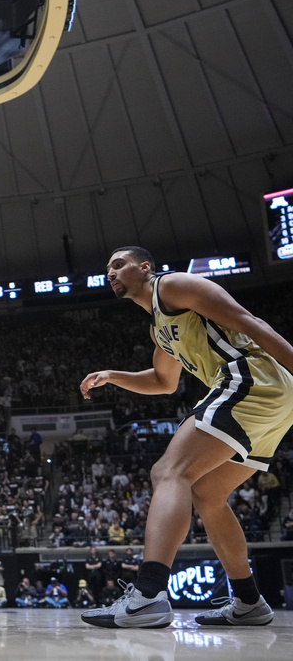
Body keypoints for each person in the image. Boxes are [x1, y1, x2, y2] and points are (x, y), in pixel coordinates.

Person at [79, 246, 293, 629]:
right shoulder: (158, 326)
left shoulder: (172, 286)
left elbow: (250, 323)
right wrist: (114, 375)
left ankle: (148, 595)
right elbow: (163, 382)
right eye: (106, 268)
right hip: (275, 399)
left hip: (251, 378)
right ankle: (249, 601)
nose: (109, 273)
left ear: (144, 267)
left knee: (169, 472)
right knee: (207, 494)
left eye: (118, 265)